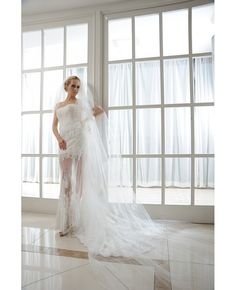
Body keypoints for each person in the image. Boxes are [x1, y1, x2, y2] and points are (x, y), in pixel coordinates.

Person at [52, 75, 168, 289]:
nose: (76, 89)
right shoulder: (59, 105)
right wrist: (59, 138)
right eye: (73, 86)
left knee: (80, 187)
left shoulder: (81, 104)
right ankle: (65, 222)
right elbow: (54, 126)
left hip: (80, 144)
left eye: (78, 87)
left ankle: (76, 222)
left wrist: (86, 122)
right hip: (65, 144)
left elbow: (99, 111)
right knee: (65, 184)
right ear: (66, 86)